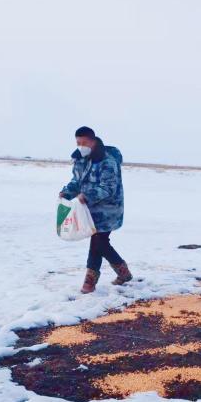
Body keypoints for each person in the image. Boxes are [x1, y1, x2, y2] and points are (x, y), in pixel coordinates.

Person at [59, 126, 132, 293]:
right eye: (78, 142)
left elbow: (109, 188)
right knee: (100, 242)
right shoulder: (80, 159)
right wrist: (67, 192)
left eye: (84, 142)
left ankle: (90, 281)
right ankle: (123, 272)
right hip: (88, 210)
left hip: (108, 210)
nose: (81, 146)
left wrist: (87, 195)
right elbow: (76, 181)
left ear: (93, 141)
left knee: (98, 241)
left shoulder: (107, 161)